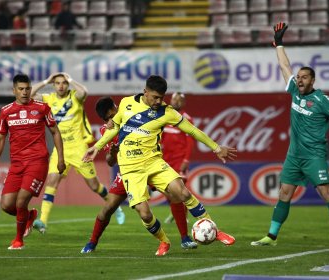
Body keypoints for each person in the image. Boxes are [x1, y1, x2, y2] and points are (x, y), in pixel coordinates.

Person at [83, 75, 237, 256]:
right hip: (131, 169)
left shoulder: (167, 112)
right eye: (155, 97)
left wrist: (217, 148)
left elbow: (193, 131)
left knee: (182, 192)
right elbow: (115, 128)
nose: (158, 101)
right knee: (145, 214)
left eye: (161, 97)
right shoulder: (126, 103)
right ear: (145, 92)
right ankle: (164, 241)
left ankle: (214, 230)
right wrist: (96, 147)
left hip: (153, 163)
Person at [251, 22, 329, 246]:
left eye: (304, 77)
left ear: (313, 80)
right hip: (294, 155)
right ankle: (271, 236)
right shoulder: (294, 92)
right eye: (298, 77)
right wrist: (278, 44)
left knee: (327, 194)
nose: (299, 79)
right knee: (284, 193)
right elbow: (284, 66)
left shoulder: (323, 101)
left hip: (315, 155)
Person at [81, 97, 197, 253]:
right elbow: (110, 162)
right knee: (109, 208)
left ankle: (185, 238)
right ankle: (92, 243)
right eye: (107, 118)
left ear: (117, 107)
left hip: (150, 165)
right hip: (129, 172)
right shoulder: (106, 130)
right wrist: (112, 152)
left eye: (112, 114)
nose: (111, 119)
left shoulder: (134, 113)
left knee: (175, 195)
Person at [31, 72, 125, 234]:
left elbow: (85, 92)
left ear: (67, 85)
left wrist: (71, 79)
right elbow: (30, 95)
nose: (61, 86)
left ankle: (114, 207)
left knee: (94, 186)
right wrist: (46, 80)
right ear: (54, 85)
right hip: (60, 148)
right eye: (57, 83)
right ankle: (43, 221)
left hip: (79, 147)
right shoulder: (49, 99)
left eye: (64, 83)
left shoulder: (75, 96)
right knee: (52, 180)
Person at [0, 73, 65, 249]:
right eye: (21, 89)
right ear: (14, 90)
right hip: (17, 164)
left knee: (21, 201)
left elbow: (55, 132)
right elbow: (0, 138)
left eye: (27, 89)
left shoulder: (42, 108)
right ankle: (30, 216)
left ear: (31, 89)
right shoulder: (6, 111)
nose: (25, 92)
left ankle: (18, 240)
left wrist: (61, 158)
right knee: (7, 205)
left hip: (37, 161)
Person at [162, 92, 195, 228]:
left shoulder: (186, 119)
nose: (176, 102)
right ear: (170, 100)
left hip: (179, 160)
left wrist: (186, 160)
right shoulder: (165, 117)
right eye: (174, 99)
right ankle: (175, 211)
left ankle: (184, 218)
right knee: (167, 190)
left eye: (179, 100)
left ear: (183, 103)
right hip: (165, 159)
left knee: (181, 190)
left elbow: (190, 141)